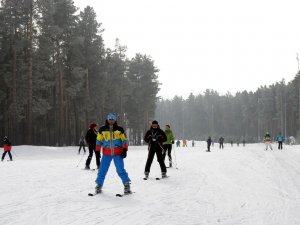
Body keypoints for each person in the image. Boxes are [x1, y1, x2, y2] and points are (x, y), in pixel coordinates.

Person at [94, 113, 131, 195]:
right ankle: (99, 185)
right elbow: (99, 141)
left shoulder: (119, 129)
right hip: (106, 153)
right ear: (107, 120)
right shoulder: (102, 129)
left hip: (118, 153)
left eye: (112, 119)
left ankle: (127, 184)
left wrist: (125, 150)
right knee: (102, 170)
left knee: (120, 170)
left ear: (115, 120)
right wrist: (97, 151)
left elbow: (124, 140)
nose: (111, 121)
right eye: (110, 119)